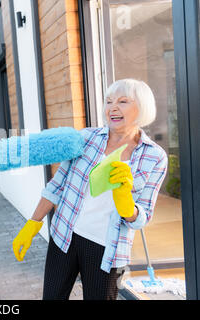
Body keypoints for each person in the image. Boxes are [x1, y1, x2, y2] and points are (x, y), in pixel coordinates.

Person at [12, 79, 168, 300]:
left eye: (123, 101)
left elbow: (143, 216)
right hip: (64, 235)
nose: (112, 107)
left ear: (141, 107)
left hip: (107, 249)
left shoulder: (155, 157)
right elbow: (56, 186)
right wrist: (32, 224)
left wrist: (126, 205)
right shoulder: (85, 138)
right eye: (108, 101)